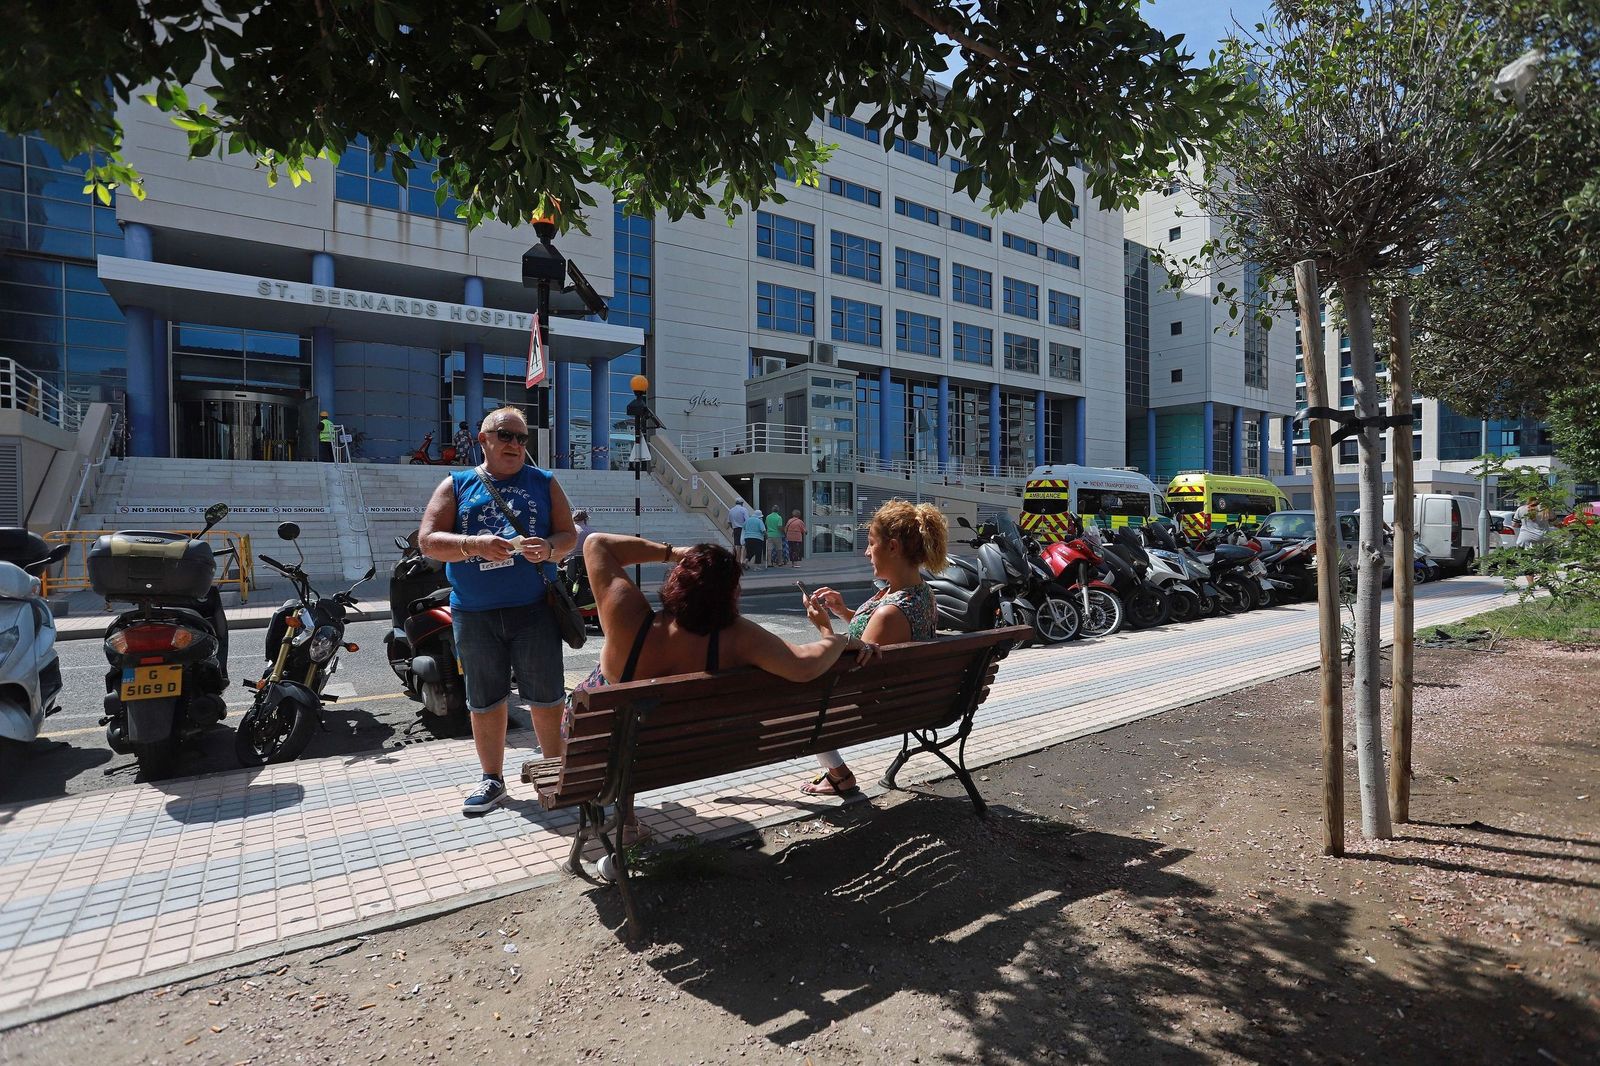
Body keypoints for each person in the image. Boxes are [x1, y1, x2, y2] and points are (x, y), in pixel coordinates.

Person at [573, 533, 876, 841]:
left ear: (677, 579)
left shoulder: (625, 614)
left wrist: (674, 551)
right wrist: (836, 638)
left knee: (624, 710)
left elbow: (595, 544)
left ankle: (625, 823)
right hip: (688, 753)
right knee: (643, 722)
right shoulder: (736, 636)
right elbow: (803, 665)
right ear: (731, 594)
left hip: (600, 753)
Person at [418, 406, 577, 816]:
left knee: (546, 696)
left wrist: (550, 548)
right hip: (474, 613)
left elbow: (568, 535)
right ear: (484, 440)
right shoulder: (457, 484)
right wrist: (474, 544)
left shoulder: (543, 481)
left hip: (533, 610)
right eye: (506, 435)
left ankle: (557, 772)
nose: (515, 444)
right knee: (484, 698)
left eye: (522, 438)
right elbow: (429, 541)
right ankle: (493, 779)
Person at [802, 499, 946, 796]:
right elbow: (877, 638)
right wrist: (844, 612)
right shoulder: (921, 594)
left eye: (870, 543)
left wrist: (823, 627)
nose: (867, 553)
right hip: (917, 699)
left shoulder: (891, 611)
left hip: (874, 708)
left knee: (803, 691)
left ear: (892, 547)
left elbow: (851, 662)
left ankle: (839, 775)